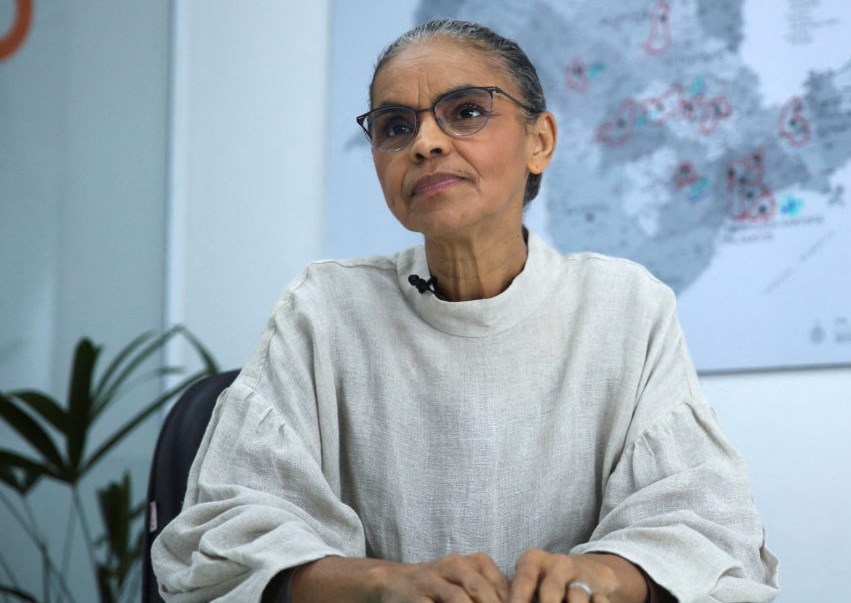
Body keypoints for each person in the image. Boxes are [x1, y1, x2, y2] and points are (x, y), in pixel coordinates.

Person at [152, 19, 779, 603]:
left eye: (467, 112)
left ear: (540, 141)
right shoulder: (325, 310)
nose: (425, 143)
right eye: (396, 127)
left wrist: (599, 575)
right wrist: (379, 584)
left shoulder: (625, 307)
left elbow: (706, 526)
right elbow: (223, 534)